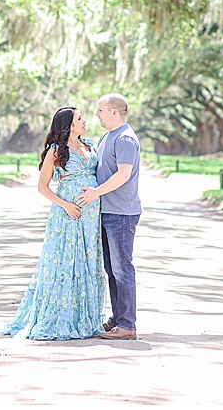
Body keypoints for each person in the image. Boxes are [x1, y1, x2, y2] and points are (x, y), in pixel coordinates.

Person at [0, 107, 106, 340]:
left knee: (87, 259)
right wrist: (65, 205)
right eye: (79, 118)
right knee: (66, 260)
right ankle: (61, 316)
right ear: (68, 124)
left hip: (91, 217)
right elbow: (42, 187)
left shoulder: (90, 145)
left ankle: (85, 317)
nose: (85, 121)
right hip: (67, 215)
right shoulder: (56, 151)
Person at [75, 93, 141, 340]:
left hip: (122, 213)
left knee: (122, 269)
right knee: (111, 269)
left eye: (100, 110)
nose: (96, 115)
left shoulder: (125, 138)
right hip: (106, 211)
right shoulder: (106, 136)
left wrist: (94, 193)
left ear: (114, 112)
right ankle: (117, 318)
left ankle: (127, 325)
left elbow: (123, 175)